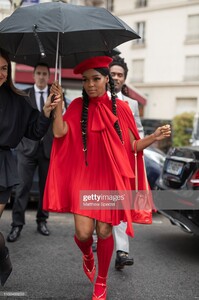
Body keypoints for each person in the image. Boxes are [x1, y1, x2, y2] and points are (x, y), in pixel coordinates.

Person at [42, 55, 171, 300]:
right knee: (82, 234)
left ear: (106, 79)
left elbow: (133, 146)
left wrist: (153, 137)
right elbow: (59, 132)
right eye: (86, 80)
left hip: (108, 179)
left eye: (96, 79)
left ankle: (101, 281)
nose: (91, 84)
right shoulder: (78, 106)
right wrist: (58, 106)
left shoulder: (121, 108)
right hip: (84, 177)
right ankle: (87, 255)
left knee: (103, 230)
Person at [0, 49, 61, 286]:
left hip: (2, 167)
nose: (1, 73)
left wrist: (46, 111)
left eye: (4, 68)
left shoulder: (18, 99)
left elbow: (35, 130)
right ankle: (3, 257)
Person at [7, 63, 54, 242]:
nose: (42, 77)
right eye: (39, 73)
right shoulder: (24, 95)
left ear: (48, 76)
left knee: (45, 189)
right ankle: (16, 225)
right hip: (26, 149)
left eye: (44, 74)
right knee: (22, 188)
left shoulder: (55, 94)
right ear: (33, 76)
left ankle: (42, 220)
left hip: (47, 150)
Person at [109, 55, 144, 270]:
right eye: (112, 74)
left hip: (123, 162)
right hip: (102, 162)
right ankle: (98, 237)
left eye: (120, 75)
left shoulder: (131, 103)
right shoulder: (97, 98)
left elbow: (138, 132)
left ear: (125, 79)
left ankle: (122, 251)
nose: (116, 78)